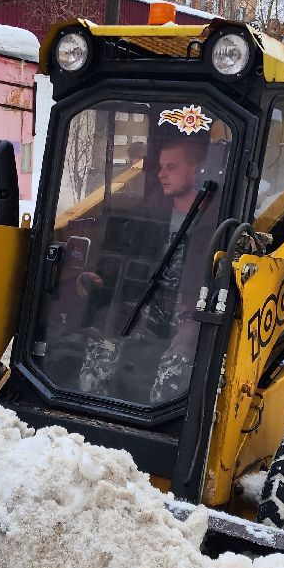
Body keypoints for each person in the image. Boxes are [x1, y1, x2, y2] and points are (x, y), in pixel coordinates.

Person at [73, 137, 216, 402]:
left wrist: (193, 311)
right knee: (109, 320)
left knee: (185, 346)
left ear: (196, 170)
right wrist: (96, 274)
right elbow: (122, 248)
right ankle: (89, 404)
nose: (161, 174)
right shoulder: (150, 212)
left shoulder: (218, 221)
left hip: (193, 312)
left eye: (171, 167)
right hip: (152, 303)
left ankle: (162, 419)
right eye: (160, 167)